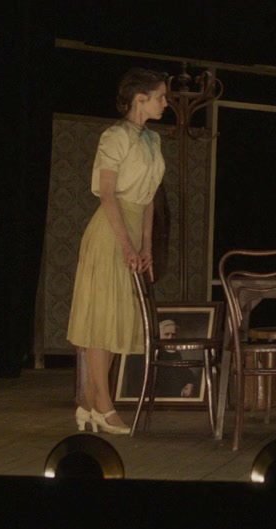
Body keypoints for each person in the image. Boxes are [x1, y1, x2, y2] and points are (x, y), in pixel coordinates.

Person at [67, 68, 170, 435]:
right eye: (160, 96)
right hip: (110, 230)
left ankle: (89, 402)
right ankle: (103, 406)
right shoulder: (115, 137)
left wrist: (146, 246)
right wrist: (126, 243)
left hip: (134, 224)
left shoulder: (152, 140)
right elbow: (108, 194)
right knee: (102, 318)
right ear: (140, 98)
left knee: (113, 319)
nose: (165, 103)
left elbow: (149, 200)